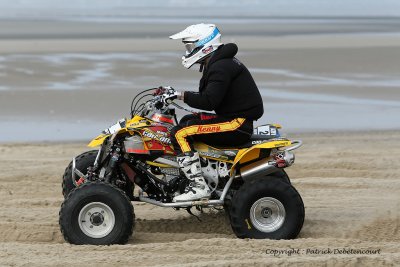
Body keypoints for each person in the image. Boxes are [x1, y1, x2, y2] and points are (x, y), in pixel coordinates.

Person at [167, 23, 264, 202]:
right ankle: (204, 171)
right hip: (234, 118)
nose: (188, 51)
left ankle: (199, 186)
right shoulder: (221, 62)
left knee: (179, 133)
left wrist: (180, 95)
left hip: (237, 124)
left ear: (205, 45)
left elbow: (209, 101)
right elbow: (211, 97)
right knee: (187, 119)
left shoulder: (221, 66)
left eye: (190, 46)